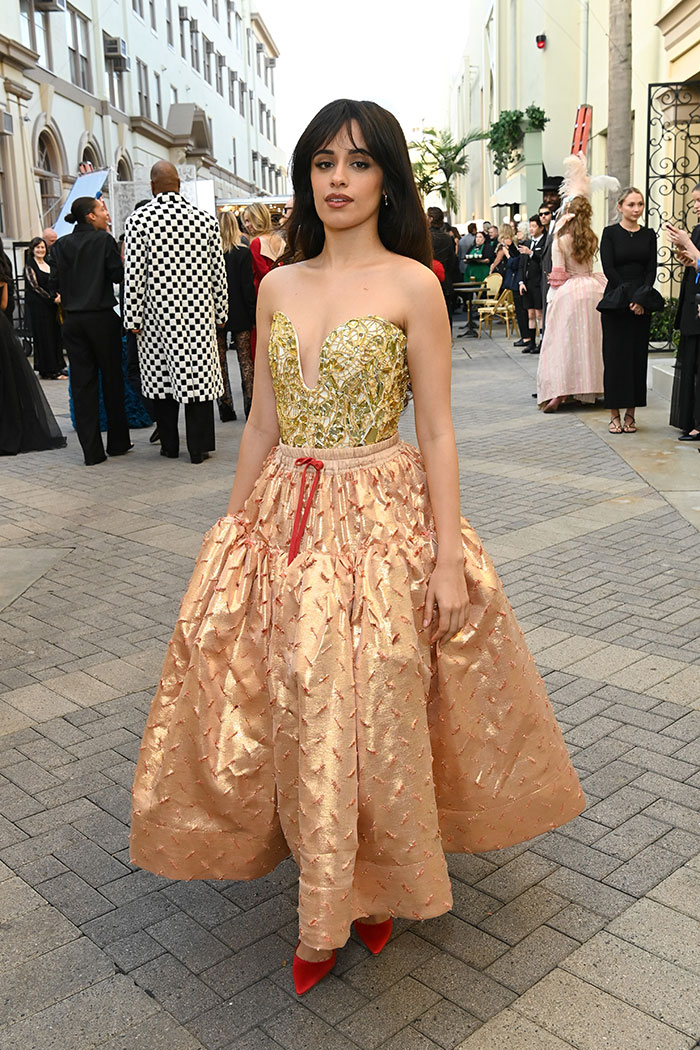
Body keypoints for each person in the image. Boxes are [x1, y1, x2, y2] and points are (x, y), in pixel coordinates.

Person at [129, 97, 585, 997]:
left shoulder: (413, 283)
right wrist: (233, 534)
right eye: (324, 162)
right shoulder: (275, 284)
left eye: (359, 163)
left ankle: (371, 886)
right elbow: (260, 420)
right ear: (307, 174)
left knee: (375, 702)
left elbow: (441, 432)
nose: (338, 179)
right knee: (299, 701)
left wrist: (447, 556)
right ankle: (324, 887)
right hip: (284, 522)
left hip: (383, 521)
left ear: (386, 180)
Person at [123, 161, 228, 464]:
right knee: (197, 383)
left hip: (157, 318)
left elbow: (134, 275)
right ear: (180, 184)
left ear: (152, 187)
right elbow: (216, 273)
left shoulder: (139, 220)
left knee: (162, 383)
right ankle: (199, 448)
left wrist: (132, 318)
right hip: (197, 317)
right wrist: (221, 311)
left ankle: (169, 446)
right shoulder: (204, 220)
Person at [50, 196, 131, 465]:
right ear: (90, 216)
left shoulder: (60, 245)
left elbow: (54, 282)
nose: (106, 213)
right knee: (111, 379)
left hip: (73, 320)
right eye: (101, 210)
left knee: (82, 383)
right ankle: (118, 442)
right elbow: (117, 275)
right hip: (101, 316)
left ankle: (92, 451)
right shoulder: (103, 240)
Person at [536, 176, 607, 411]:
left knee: (563, 344)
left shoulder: (561, 240)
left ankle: (559, 393)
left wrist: (552, 299)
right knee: (591, 343)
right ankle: (588, 391)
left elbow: (558, 274)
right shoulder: (591, 237)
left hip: (570, 293)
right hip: (594, 290)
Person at [599, 187, 658, 434]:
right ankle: (614, 414)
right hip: (616, 301)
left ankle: (631, 415)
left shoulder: (649, 235)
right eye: (631, 204)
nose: (636, 209)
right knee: (614, 359)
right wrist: (628, 298)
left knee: (636, 358)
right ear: (620, 207)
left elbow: (651, 270)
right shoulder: (610, 233)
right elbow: (608, 268)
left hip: (641, 305)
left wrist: (640, 300)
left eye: (640, 204)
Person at [668, 184, 700, 441]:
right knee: (691, 365)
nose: (696, 205)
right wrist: (691, 261)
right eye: (695, 201)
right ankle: (690, 420)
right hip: (692, 305)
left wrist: (688, 241)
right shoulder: (698, 229)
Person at [220, 209, 256, 419]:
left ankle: (225, 407)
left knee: (220, 361)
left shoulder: (211, 253)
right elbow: (247, 287)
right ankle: (249, 405)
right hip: (241, 312)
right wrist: (253, 316)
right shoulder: (243, 252)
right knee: (245, 361)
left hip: (218, 316)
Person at [24, 237, 66, 380]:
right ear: (32, 249)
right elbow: (34, 286)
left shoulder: (48, 263)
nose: (40, 250)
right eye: (37, 247)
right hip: (40, 307)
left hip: (53, 306)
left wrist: (59, 295)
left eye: (42, 247)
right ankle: (49, 369)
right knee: (44, 337)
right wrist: (51, 298)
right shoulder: (30, 265)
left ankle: (58, 366)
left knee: (55, 335)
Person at [517, 214, 546, 353]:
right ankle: (531, 342)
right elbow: (522, 264)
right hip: (527, 283)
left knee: (539, 314)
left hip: (538, 283)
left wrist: (531, 253)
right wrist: (521, 281)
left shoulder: (544, 242)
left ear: (541, 227)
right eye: (531, 226)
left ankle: (542, 341)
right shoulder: (528, 242)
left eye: (535, 226)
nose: (532, 229)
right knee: (530, 314)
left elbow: (543, 261)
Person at [427, 206, 459, 324]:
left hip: (428, 280)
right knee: (446, 314)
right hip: (445, 279)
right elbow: (452, 260)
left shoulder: (424, 236)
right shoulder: (447, 238)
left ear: (430, 219)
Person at [243, 202, 286, 292]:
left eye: (248, 220)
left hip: (263, 292)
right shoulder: (280, 240)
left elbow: (263, 273)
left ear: (257, 219)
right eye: (246, 221)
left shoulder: (256, 243)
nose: (246, 225)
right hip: (282, 289)